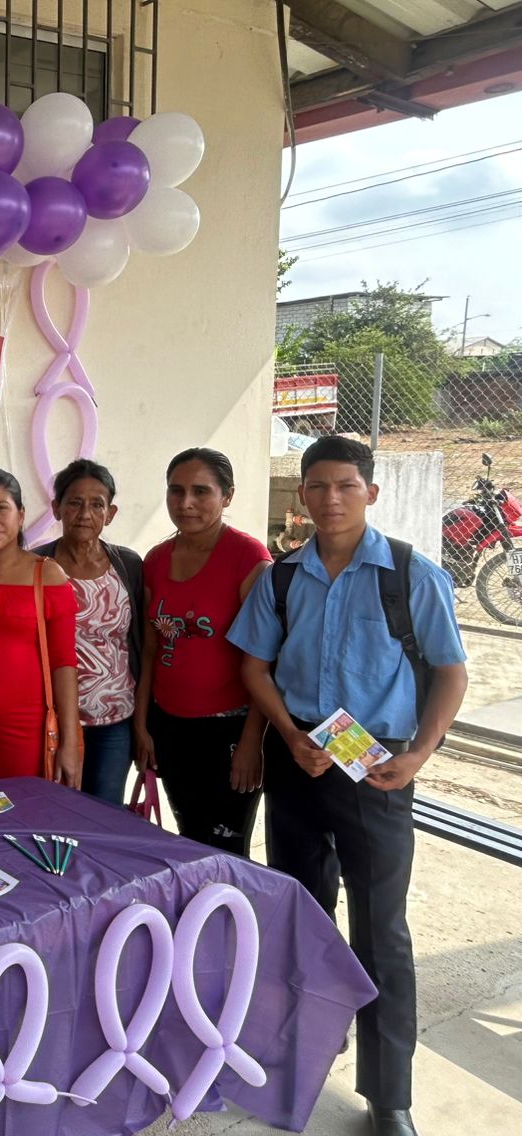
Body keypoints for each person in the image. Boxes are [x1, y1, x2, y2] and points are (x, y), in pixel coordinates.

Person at [230, 435, 467, 1136]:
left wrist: (418, 755)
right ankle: (309, 1040)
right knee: (302, 910)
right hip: (300, 757)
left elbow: (451, 673)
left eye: (346, 486)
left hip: (378, 766)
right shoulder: (281, 578)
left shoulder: (410, 574)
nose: (331, 499)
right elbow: (254, 669)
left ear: (371, 492)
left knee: (380, 926)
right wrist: (287, 734)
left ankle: (389, 1095)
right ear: (300, 495)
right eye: (318, 486)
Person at [134, 449, 271, 855]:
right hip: (170, 726)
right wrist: (142, 725)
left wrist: (252, 741)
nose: (186, 503)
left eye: (201, 491)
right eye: (176, 491)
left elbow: (264, 660)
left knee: (228, 848)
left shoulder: (248, 559)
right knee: (189, 838)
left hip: (230, 729)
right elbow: (150, 650)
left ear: (227, 496)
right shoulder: (156, 560)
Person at [33, 459, 145, 804]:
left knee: (105, 813)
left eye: (97, 504)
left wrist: (143, 722)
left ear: (110, 513)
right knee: (55, 811)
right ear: (57, 508)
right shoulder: (36, 567)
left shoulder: (128, 566)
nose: (85, 513)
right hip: (52, 721)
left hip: (115, 721)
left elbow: (143, 644)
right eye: (75, 503)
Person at [0, 470, 82, 785]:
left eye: (1, 508)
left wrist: (70, 742)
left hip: (28, 732)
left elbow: (64, 663)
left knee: (27, 809)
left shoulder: (47, 575)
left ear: (20, 515)